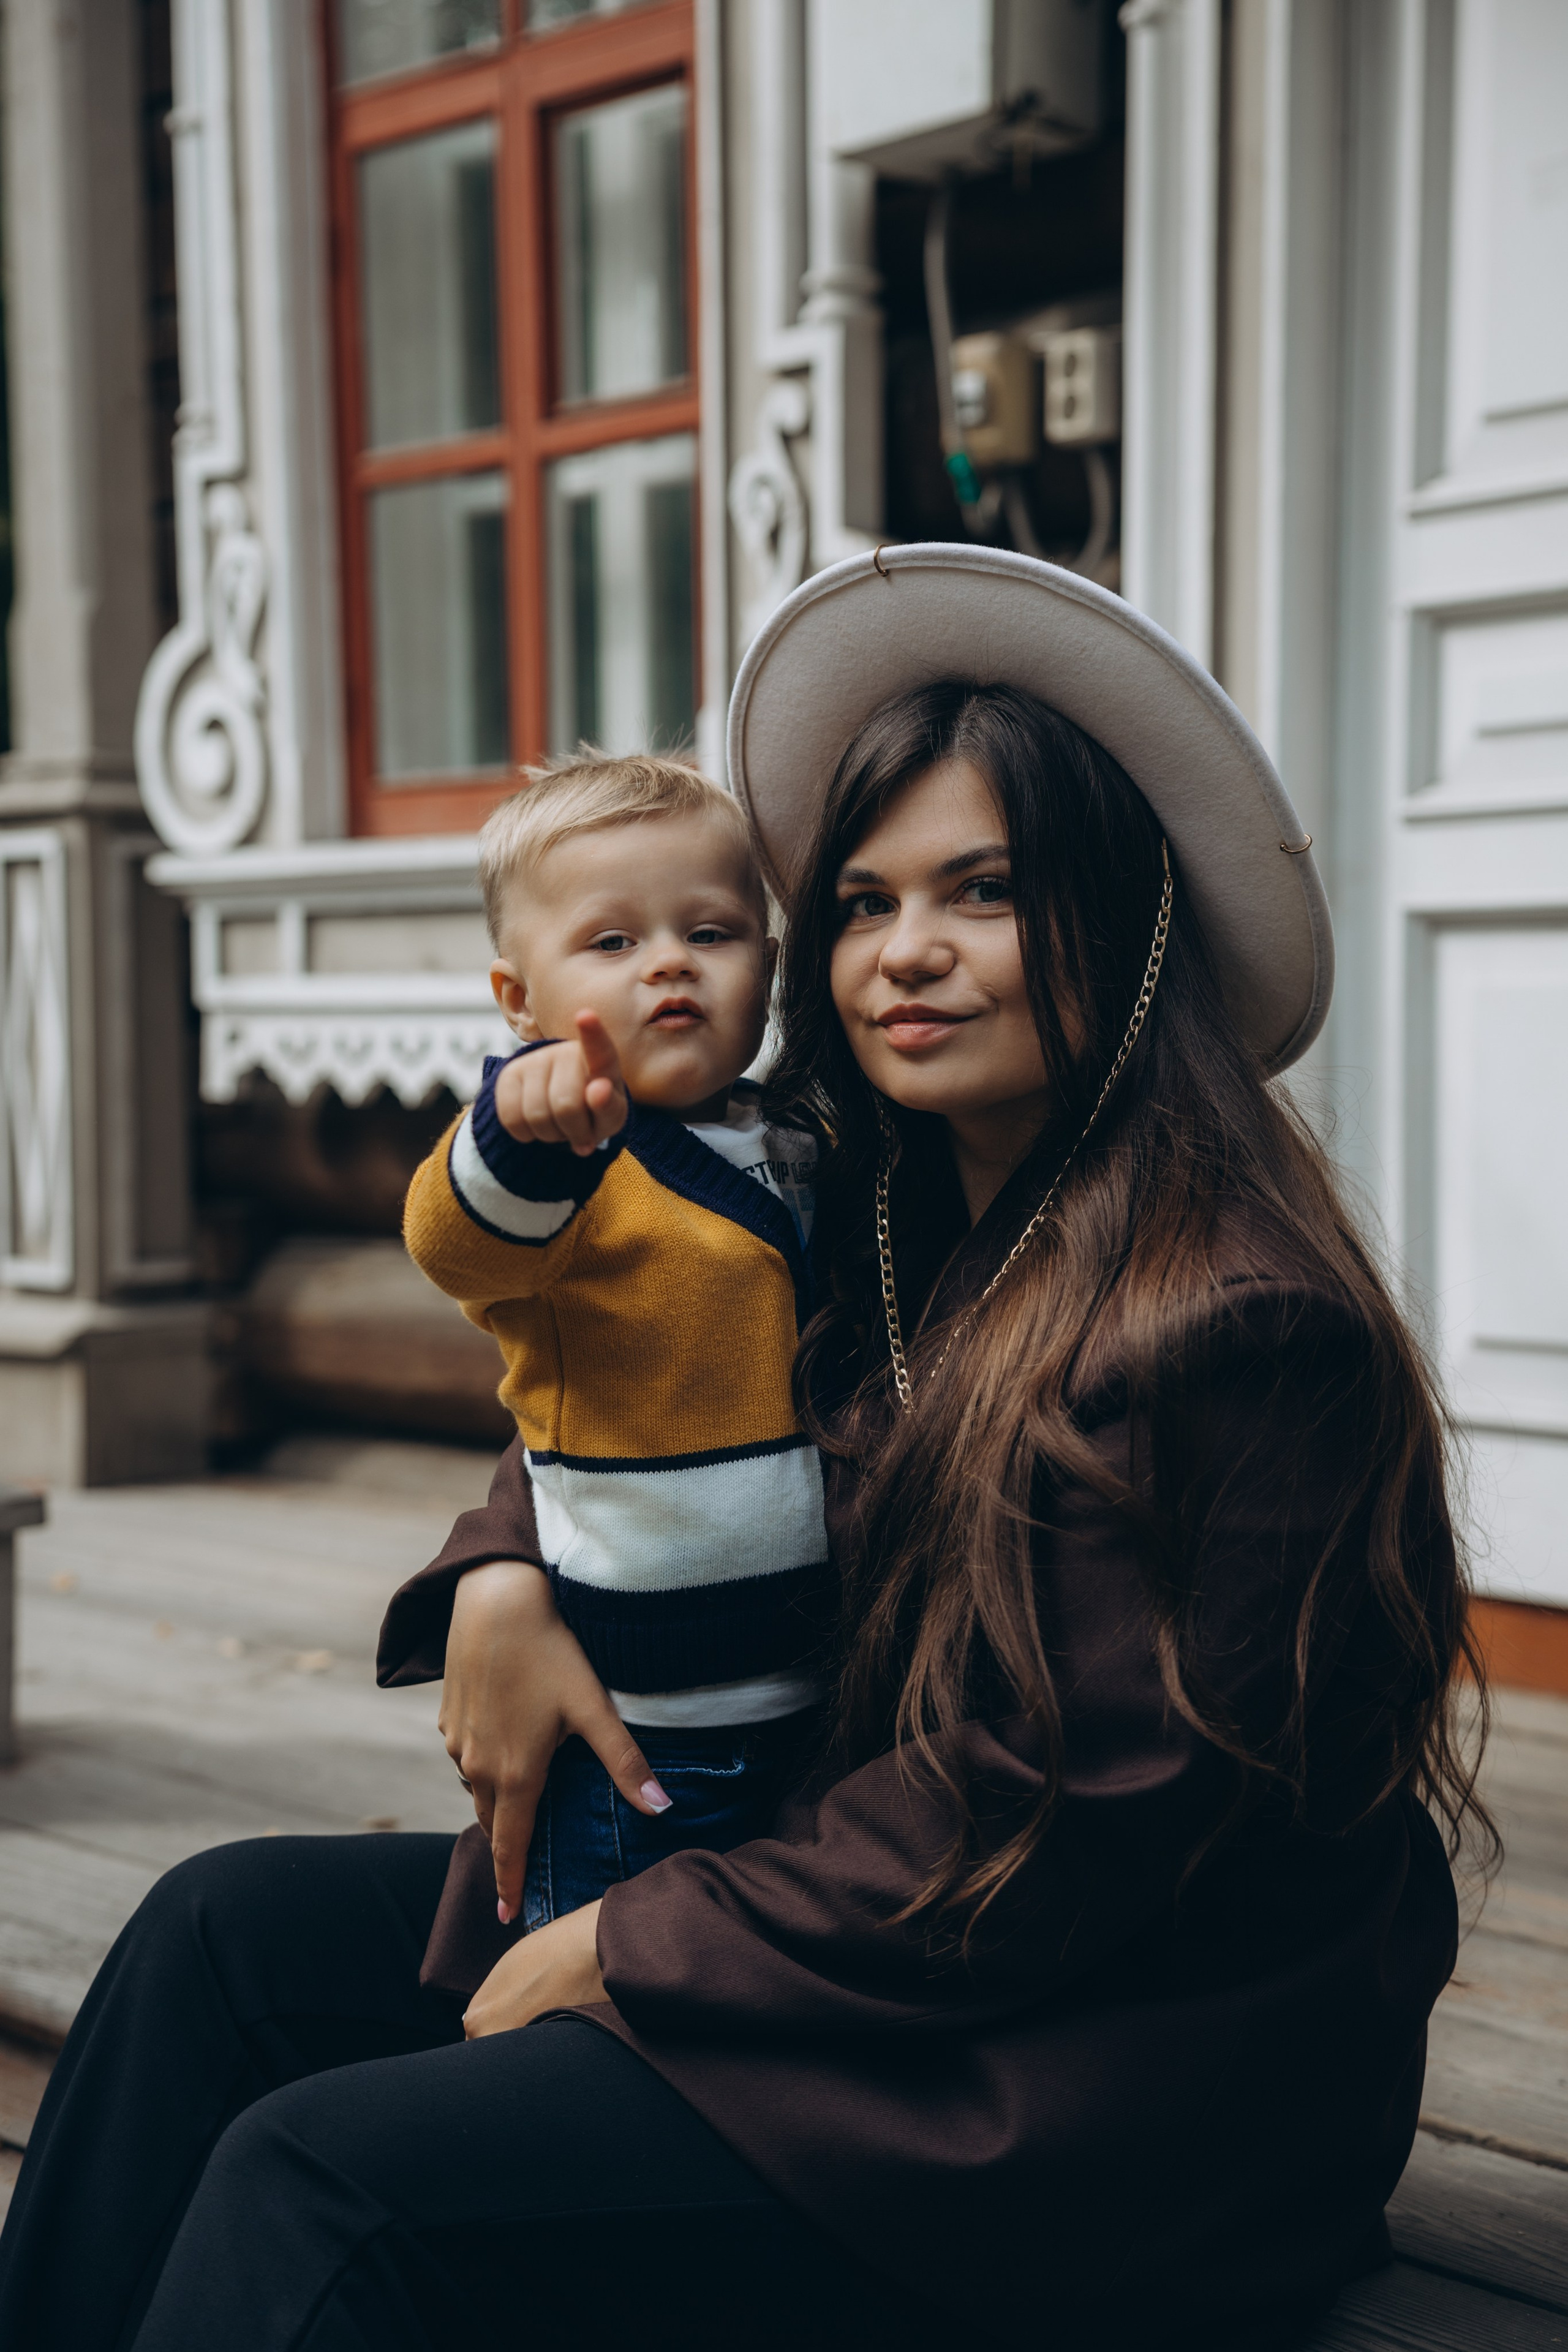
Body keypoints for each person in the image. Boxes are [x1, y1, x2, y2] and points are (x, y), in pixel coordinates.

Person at [0, 547, 1488, 2352]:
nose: (905, 953)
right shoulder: (866, 1203)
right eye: (862, 903)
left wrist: (634, 1950)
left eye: (984, 891)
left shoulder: (1241, 1331)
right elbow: (642, 1361)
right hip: (829, 1903)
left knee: (331, 2170)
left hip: (1094, 2075)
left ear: (1123, 918)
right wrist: (504, 1566)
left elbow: (1063, 1821)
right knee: (216, 1940)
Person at [401, 753, 826, 1956]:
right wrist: (518, 1129)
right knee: (600, 1966)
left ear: (767, 961)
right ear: (517, 995)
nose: (667, 963)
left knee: (735, 1970)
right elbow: (454, 1241)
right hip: (638, 1719)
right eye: (610, 942)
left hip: (811, 1694)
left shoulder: (792, 1138)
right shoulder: (568, 1170)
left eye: (710, 930)